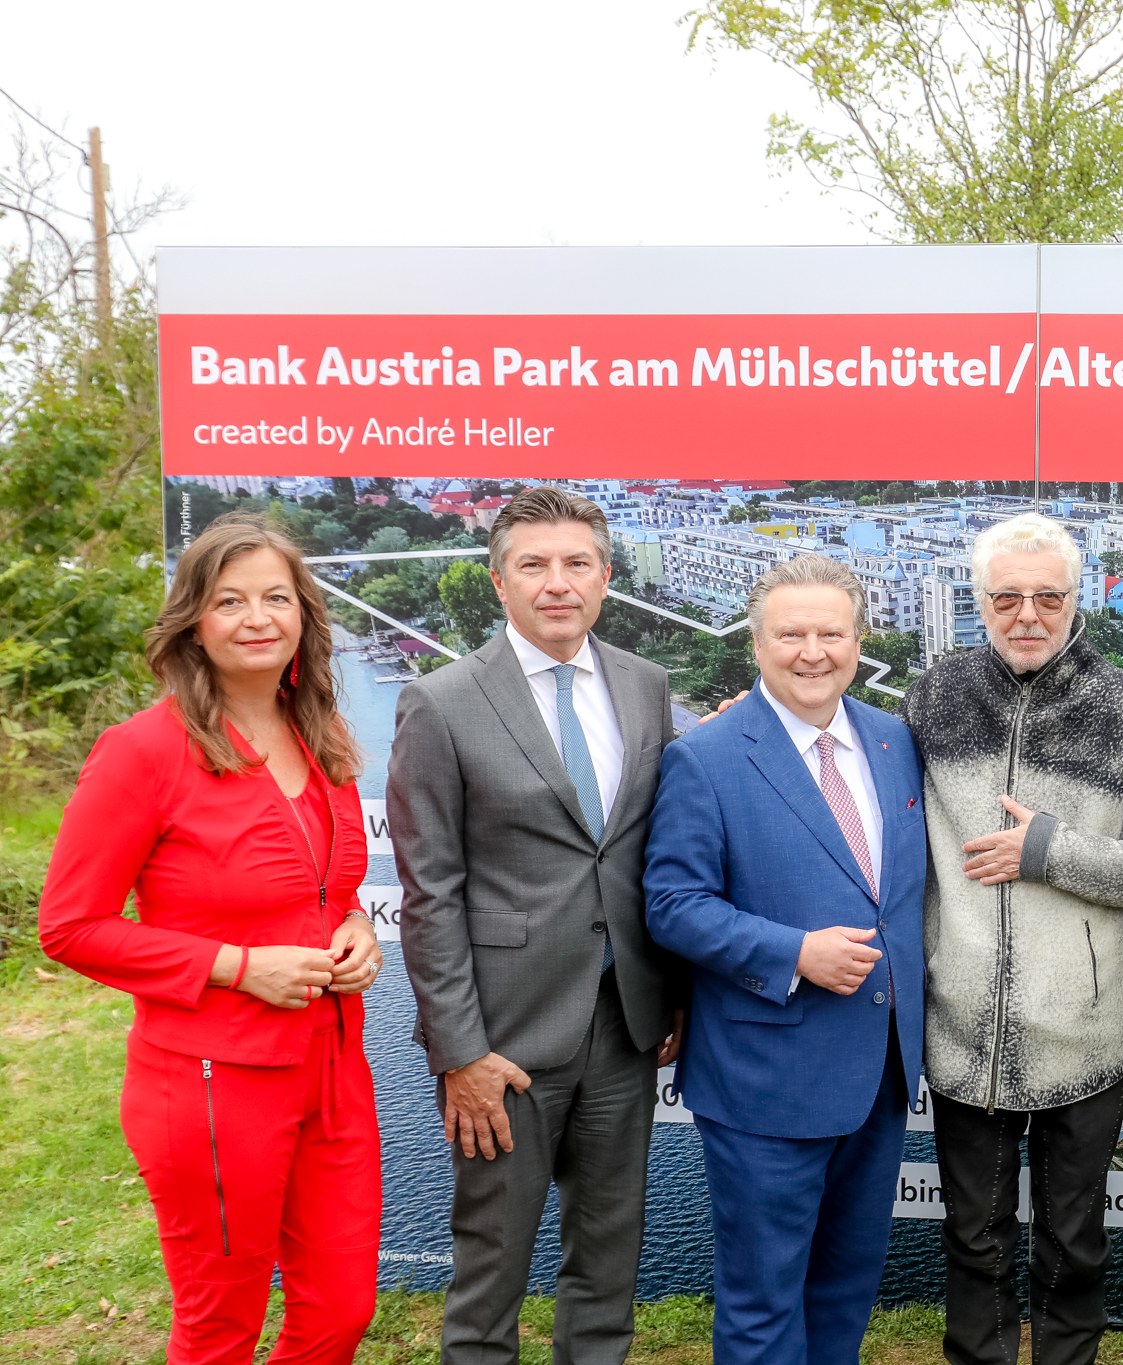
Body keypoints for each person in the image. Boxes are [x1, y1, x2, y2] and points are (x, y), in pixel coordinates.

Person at [40, 513, 382, 1365]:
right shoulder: (142, 751)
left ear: (304, 613)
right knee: (220, 1328)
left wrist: (356, 927)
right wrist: (236, 967)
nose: (257, 616)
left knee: (341, 1310)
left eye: (276, 596)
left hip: (334, 1069)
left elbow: (325, 889)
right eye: (230, 600)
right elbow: (70, 926)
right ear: (194, 620)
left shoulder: (322, 733)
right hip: (211, 1083)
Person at [389, 486, 683, 1365]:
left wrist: (670, 992)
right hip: (503, 1040)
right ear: (498, 579)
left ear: (604, 576)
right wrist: (459, 1053)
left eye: (577, 563)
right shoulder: (440, 703)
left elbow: (648, 854)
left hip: (625, 1023)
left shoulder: (646, 684)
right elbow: (429, 893)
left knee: (608, 1258)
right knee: (493, 1268)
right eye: (534, 565)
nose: (558, 583)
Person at [902, 513, 1123, 1365]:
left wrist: (1050, 851)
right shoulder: (932, 697)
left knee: (1073, 1247)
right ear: (981, 600)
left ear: (1077, 599)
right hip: (961, 1033)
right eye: (1007, 596)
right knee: (973, 1241)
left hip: (1082, 1034)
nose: (1027, 613)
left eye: (1047, 596)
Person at [642, 555, 925, 1365]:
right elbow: (672, 904)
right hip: (764, 1080)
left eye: (831, 632)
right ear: (756, 644)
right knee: (764, 1302)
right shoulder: (707, 755)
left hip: (877, 1073)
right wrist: (793, 951)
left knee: (844, 1286)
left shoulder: (892, 739)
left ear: (859, 640)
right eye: (790, 633)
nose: (812, 651)